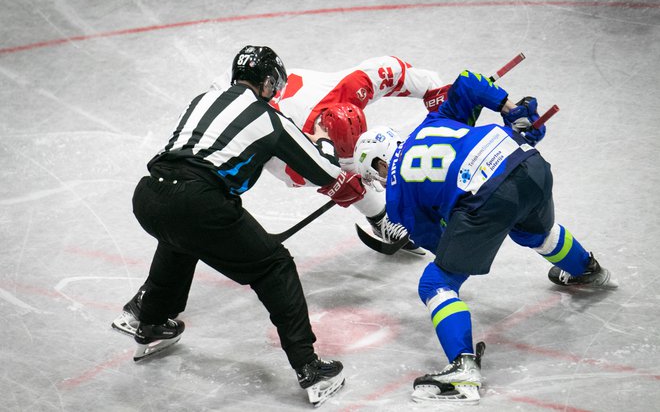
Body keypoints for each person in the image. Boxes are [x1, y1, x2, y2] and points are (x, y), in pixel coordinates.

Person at [119, 45, 365, 407]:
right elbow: (324, 170)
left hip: (150, 195)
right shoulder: (267, 117)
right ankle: (309, 367)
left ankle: (151, 321)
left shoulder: (203, 99)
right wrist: (329, 144)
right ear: (267, 83)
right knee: (275, 266)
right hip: (198, 201)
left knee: (182, 238)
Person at [352, 70, 617, 404]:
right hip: (530, 165)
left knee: (436, 283)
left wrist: (471, 230)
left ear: (378, 160)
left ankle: (463, 369)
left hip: (489, 198)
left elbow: (440, 245)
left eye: (372, 172)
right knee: (533, 231)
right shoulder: (434, 121)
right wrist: (509, 108)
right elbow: (467, 82)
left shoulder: (396, 194)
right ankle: (586, 269)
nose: (377, 178)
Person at [210, 55, 449, 252]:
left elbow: (406, 74)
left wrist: (442, 103)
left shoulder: (351, 87)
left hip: (286, 90)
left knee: (358, 170)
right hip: (252, 121)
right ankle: (380, 218)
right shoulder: (286, 160)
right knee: (345, 181)